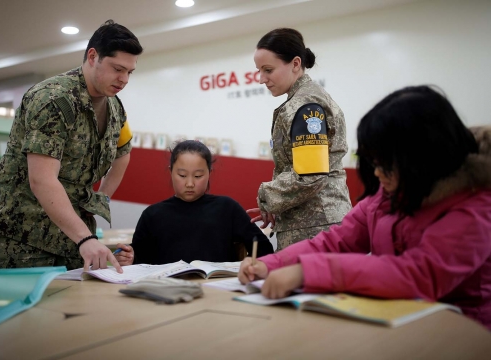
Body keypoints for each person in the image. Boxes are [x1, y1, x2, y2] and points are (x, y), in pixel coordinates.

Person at [238, 85, 491, 330]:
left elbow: (418, 275)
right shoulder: (391, 193)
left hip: (464, 332)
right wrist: (272, 264)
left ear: (424, 158)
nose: (378, 173)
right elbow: (336, 241)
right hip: (399, 322)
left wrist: (306, 272)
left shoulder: (476, 208)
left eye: (387, 164)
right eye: (374, 163)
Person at [0, 20, 143, 273]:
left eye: (129, 72)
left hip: (74, 233)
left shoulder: (114, 107)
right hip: (25, 233)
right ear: (93, 56)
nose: (124, 80)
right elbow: (42, 180)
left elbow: (123, 153)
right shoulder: (53, 99)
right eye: (117, 69)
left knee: (75, 307)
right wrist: (86, 238)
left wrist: (98, 201)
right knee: (30, 310)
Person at [248, 28, 352, 251]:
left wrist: (266, 195)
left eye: (268, 70)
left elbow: (310, 175)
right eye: (259, 71)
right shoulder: (304, 99)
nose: (261, 79)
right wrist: (279, 205)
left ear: (295, 63)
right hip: (313, 223)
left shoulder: (305, 104)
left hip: (315, 229)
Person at [114, 140, 274, 265]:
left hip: (216, 291)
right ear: (171, 172)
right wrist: (130, 258)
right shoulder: (153, 215)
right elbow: (140, 259)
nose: (190, 183)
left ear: (209, 173)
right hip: (169, 292)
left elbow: (263, 247)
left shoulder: (227, 208)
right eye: (182, 175)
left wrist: (254, 266)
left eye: (198, 176)